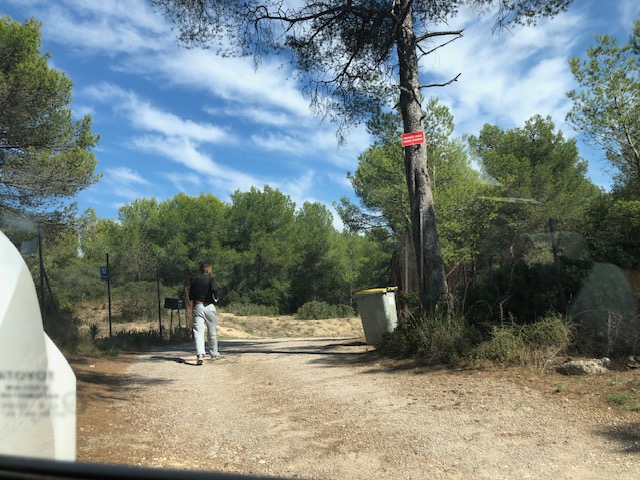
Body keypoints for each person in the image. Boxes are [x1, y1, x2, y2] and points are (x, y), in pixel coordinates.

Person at [189, 262, 220, 365]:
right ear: (208, 269)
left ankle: (200, 355)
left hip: (198, 305)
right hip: (209, 306)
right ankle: (214, 353)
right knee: (212, 331)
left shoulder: (194, 280)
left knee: (198, 331)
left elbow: (191, 296)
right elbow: (214, 290)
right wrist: (215, 298)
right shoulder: (211, 279)